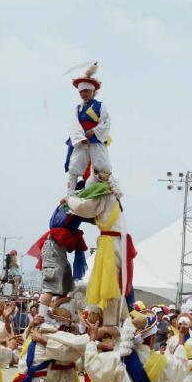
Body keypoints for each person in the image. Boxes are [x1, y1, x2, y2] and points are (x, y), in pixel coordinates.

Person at [63, 171, 136, 324]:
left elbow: (87, 207)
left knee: (110, 288)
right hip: (115, 243)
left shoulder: (105, 193)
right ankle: (123, 322)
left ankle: (111, 325)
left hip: (111, 245)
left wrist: (69, 200)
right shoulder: (113, 196)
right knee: (114, 286)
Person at [27, 203, 88, 318]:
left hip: (60, 252)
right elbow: (90, 216)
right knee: (50, 287)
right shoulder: (71, 205)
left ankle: (56, 311)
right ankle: (41, 318)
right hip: (54, 250)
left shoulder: (77, 204)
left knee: (67, 286)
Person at [65, 62, 112, 195]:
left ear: (92, 91)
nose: (83, 94)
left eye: (86, 91)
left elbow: (106, 122)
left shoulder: (100, 106)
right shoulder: (78, 108)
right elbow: (74, 125)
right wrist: (81, 137)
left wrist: (94, 131)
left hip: (96, 139)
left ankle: (102, 189)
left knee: (101, 164)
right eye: (81, 92)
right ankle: (71, 193)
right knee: (75, 166)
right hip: (82, 139)